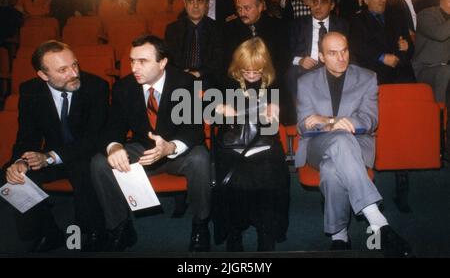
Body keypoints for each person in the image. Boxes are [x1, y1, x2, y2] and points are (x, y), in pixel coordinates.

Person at [295, 31, 413, 258]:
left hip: (357, 144)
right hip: (317, 146)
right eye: (332, 53)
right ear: (321, 56)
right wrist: (337, 124)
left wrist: (327, 120)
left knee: (332, 167)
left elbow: (369, 120)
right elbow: (304, 125)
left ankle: (339, 235)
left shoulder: (367, 77)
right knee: (340, 139)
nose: (341, 57)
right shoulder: (306, 82)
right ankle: (378, 222)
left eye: (344, 51)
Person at [90, 35, 211, 252]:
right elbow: (111, 128)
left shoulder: (186, 83)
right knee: (100, 162)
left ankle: (200, 224)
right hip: (142, 149)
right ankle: (119, 226)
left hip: (177, 151)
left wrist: (170, 147)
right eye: (132, 60)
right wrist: (114, 147)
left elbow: (194, 130)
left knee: (201, 157)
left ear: (162, 62)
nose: (135, 67)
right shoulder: (124, 87)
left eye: (142, 61)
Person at [2, 40, 109, 252]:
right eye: (63, 70)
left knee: (82, 170)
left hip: (85, 153)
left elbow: (94, 139)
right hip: (51, 155)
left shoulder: (96, 87)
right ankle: (48, 232)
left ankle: (94, 231)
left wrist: (50, 157)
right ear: (43, 75)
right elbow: (27, 136)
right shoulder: (30, 91)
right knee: (11, 177)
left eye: (75, 65)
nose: (73, 73)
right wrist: (21, 161)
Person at [212, 37, 291, 252]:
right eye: (247, 71)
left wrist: (278, 107)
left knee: (270, 178)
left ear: (265, 66)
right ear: (238, 66)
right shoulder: (226, 80)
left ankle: (265, 230)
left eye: (257, 71)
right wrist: (220, 109)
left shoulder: (275, 81)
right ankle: (234, 231)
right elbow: (206, 110)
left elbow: (291, 115)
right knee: (233, 179)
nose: (252, 75)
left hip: (264, 147)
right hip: (232, 147)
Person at [349, 0, 416, 84]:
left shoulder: (397, 16)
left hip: (401, 71)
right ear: (366, 0)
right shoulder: (358, 20)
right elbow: (358, 48)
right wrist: (382, 57)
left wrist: (407, 47)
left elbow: (411, 49)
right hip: (374, 72)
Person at [288, 0, 348, 98]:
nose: (318, 6)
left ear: (332, 6)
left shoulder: (342, 25)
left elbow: (350, 53)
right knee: (291, 74)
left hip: (333, 69)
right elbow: (286, 52)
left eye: (323, 3)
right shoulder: (297, 24)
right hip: (304, 70)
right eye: (315, 2)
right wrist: (300, 60)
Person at [165, 0, 223, 88]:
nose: (195, 6)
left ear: (206, 4)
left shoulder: (218, 29)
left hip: (209, 81)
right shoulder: (172, 29)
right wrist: (182, 75)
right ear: (185, 3)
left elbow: (219, 61)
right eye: (191, 1)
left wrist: (198, 73)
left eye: (200, 1)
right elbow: (169, 60)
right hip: (179, 81)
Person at [412, 0, 450, 103]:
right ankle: (440, 115)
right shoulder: (426, 15)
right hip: (425, 69)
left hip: (444, 69)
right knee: (445, 71)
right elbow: (440, 34)